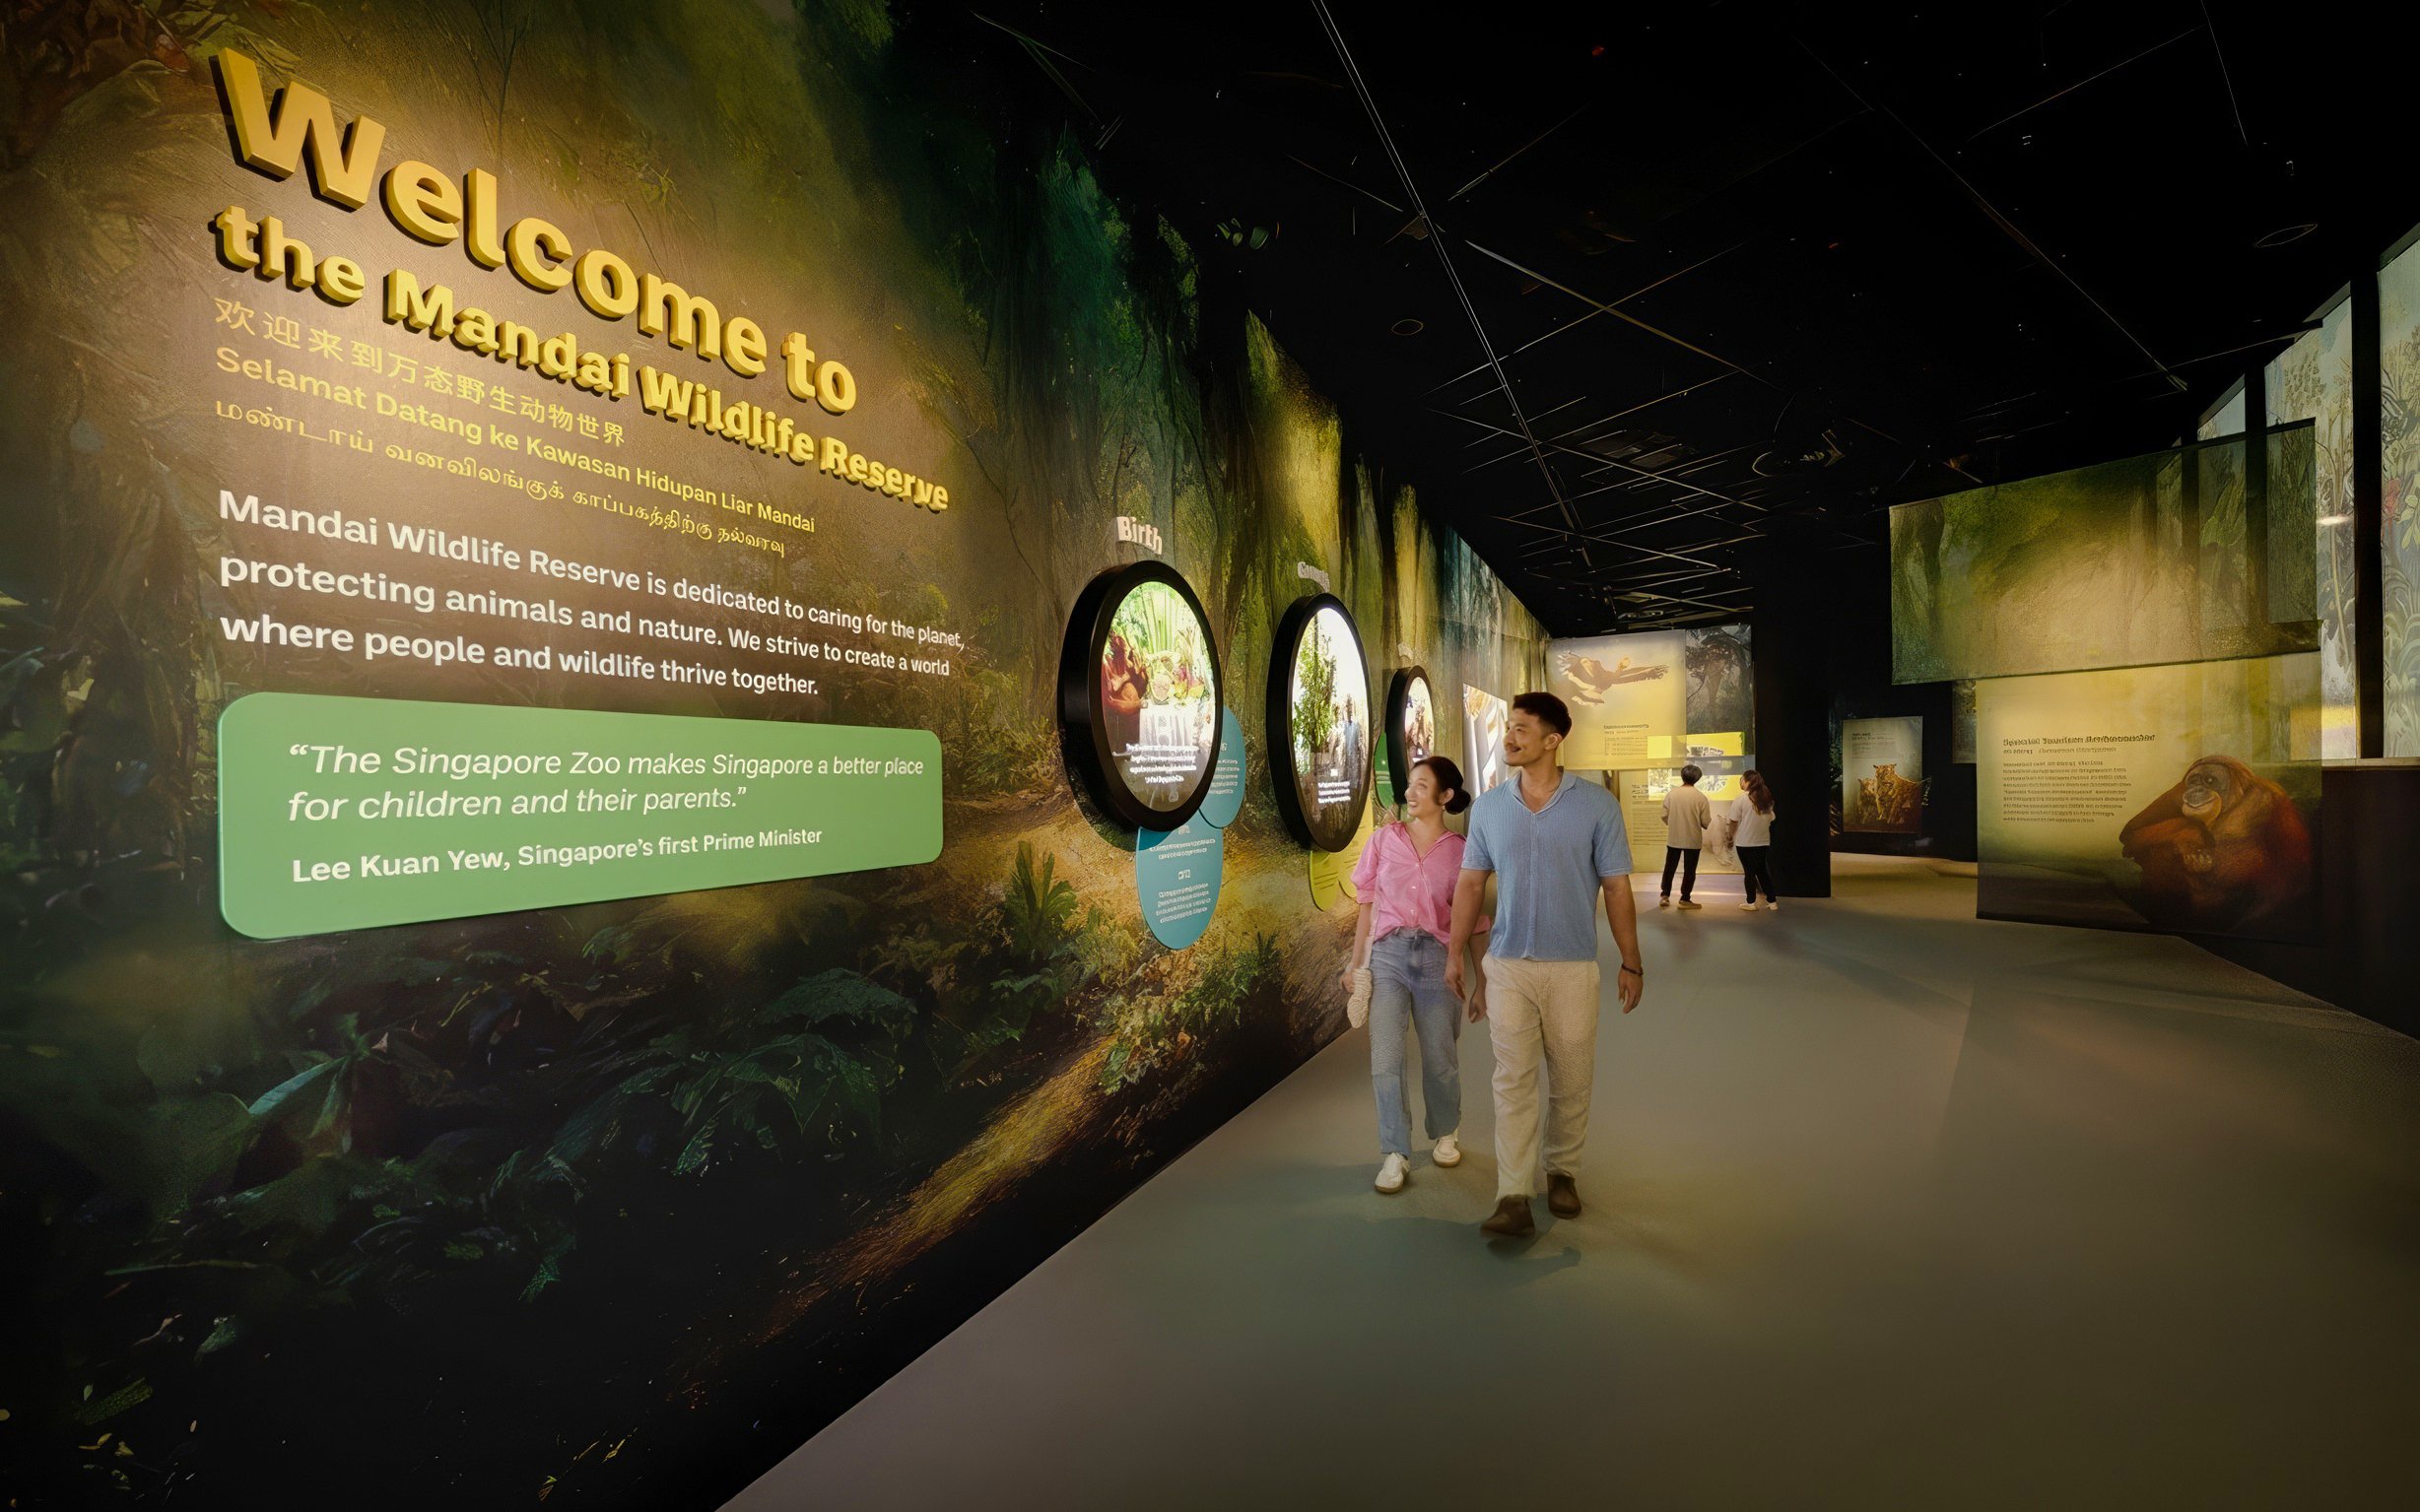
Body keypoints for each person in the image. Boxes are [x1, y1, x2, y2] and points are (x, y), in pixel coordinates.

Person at [1447, 691, 1644, 1237]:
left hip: (1573, 966)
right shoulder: (1489, 808)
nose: (1509, 738)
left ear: (1553, 740)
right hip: (1507, 965)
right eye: (1508, 727)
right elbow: (1470, 883)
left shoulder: (1597, 806)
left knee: (1571, 1078)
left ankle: (1562, 1171)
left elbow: (1616, 887)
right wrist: (1454, 951)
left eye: (1521, 729)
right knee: (1512, 1079)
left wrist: (1632, 963)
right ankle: (1513, 1193)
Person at [1345, 756, 1488, 1194]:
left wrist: (1482, 981)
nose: (1410, 793)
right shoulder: (1383, 840)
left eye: (1422, 786)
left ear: (1445, 796)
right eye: (1410, 784)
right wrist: (1356, 962)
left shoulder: (1461, 851)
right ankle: (1395, 1151)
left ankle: (1445, 1131)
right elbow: (1366, 905)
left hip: (1436, 958)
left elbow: (1475, 920)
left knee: (1440, 1056)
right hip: (1387, 957)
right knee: (1385, 1059)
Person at [1658, 763, 1712, 910]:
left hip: (1674, 837)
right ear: (1697, 778)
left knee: (1670, 867)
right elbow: (1705, 821)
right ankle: (1685, 898)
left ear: (1682, 776)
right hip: (1693, 839)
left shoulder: (1672, 794)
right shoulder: (1701, 797)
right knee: (1690, 870)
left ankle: (1665, 895)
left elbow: (1664, 815)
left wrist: (1673, 823)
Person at [1727, 769, 1779, 911]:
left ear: (1747, 781)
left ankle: (1751, 902)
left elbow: (1733, 820)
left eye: (1742, 779)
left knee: (1749, 873)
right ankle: (1772, 901)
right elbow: (1772, 818)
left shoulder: (1742, 798)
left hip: (1745, 842)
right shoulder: (1767, 798)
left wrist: (1730, 836)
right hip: (1763, 841)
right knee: (1762, 871)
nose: (1741, 782)